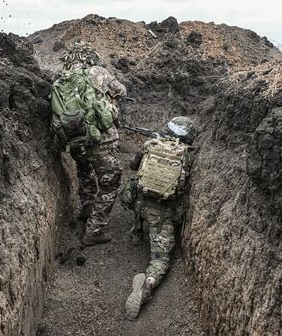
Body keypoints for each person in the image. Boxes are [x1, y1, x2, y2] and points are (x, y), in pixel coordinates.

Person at [51, 42, 126, 246]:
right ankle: (94, 230)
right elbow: (122, 91)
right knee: (110, 184)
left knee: (84, 170)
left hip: (74, 140)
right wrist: (110, 104)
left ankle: (86, 207)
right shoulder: (98, 72)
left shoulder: (62, 79)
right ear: (90, 57)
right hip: (102, 142)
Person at [122, 116, 196, 319]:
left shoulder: (150, 144)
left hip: (139, 204)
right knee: (161, 259)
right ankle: (147, 285)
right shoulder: (188, 156)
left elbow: (133, 166)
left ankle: (137, 231)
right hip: (160, 214)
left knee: (135, 186)